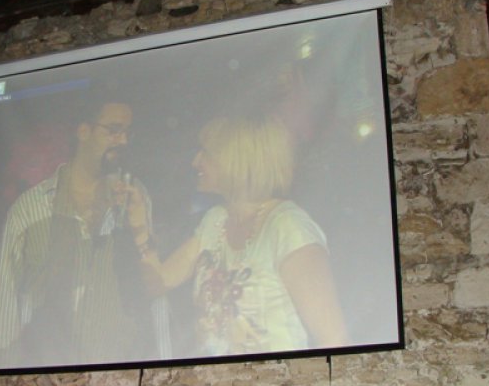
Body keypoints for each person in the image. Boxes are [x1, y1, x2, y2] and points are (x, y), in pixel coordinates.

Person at [127, 115, 347, 356]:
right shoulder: (215, 221)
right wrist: (139, 224)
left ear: (236, 160)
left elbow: (334, 339)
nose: (195, 161)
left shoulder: (288, 226)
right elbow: (158, 283)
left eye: (205, 153)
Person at [0, 99, 169, 366]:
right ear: (84, 131)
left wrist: (166, 357)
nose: (124, 141)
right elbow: (5, 297)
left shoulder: (134, 196)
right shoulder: (32, 206)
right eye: (114, 130)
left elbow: (153, 285)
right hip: (48, 370)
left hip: (121, 367)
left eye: (128, 133)